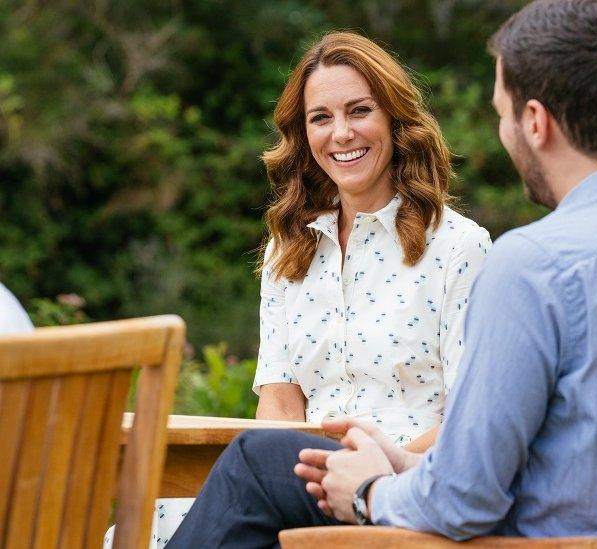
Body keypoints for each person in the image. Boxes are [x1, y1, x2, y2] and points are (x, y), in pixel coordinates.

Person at [167, 0, 597, 545]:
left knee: (251, 465)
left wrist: (370, 490)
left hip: (537, 541)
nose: (503, 133)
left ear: (535, 122)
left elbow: (464, 499)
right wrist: (393, 464)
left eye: (501, 114)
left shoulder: (533, 265)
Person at [108, 31, 490, 548]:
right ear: (303, 133)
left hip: (397, 485)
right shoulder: (288, 251)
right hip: (300, 482)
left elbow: (472, 416)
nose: (341, 134)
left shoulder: (459, 247)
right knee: (137, 522)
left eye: (359, 111)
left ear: (396, 120)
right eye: (321, 118)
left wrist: (366, 471)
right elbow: (281, 409)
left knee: (249, 462)